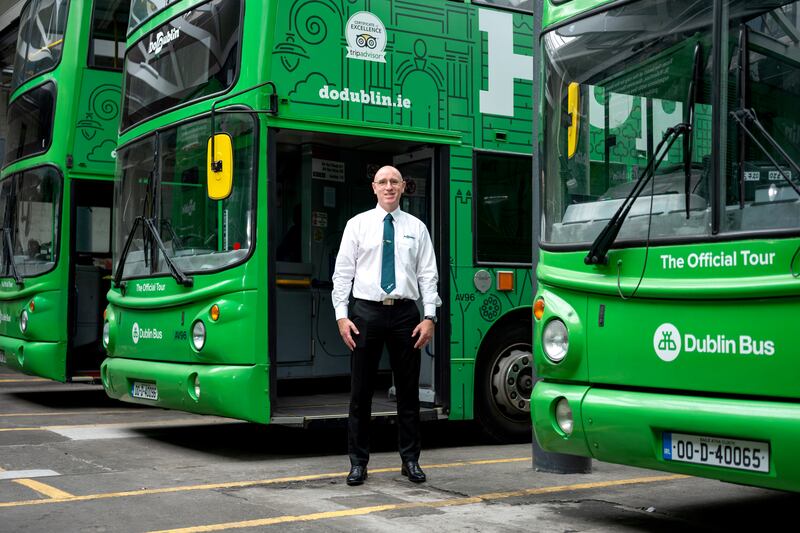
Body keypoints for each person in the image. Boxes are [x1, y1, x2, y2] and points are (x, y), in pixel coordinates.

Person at [332, 165, 441, 486]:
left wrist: (429, 316)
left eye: (395, 182)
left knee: (408, 393)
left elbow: (428, 275)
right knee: (360, 392)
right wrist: (341, 316)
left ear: (404, 187)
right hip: (366, 313)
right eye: (383, 182)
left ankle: (410, 460)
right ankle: (358, 463)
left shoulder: (417, 228)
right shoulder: (357, 225)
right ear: (374, 188)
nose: (389, 187)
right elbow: (342, 273)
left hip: (406, 315)